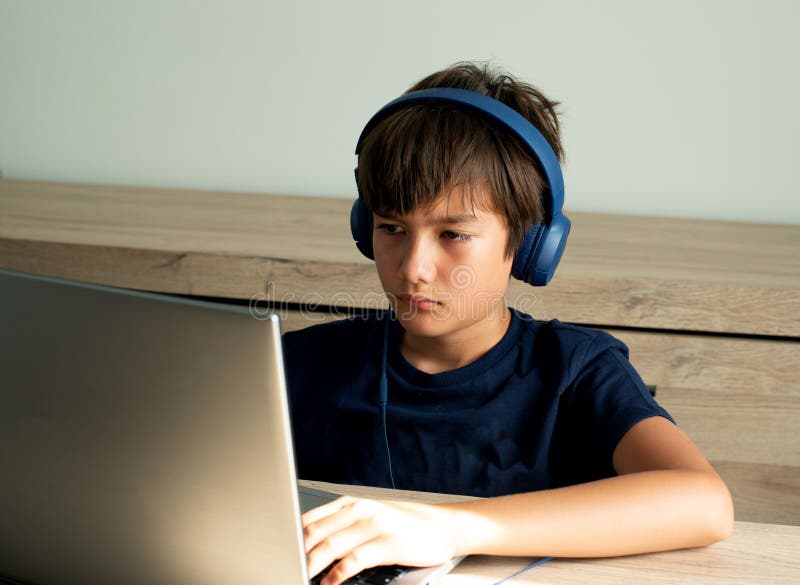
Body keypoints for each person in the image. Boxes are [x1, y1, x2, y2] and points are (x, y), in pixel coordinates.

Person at [281, 62, 734, 585]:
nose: (412, 268)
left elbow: (704, 503)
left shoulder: (575, 369)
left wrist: (450, 529)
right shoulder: (301, 363)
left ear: (528, 245)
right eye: (391, 228)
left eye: (453, 234)